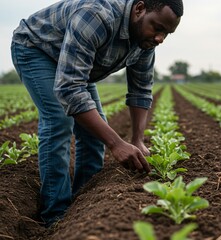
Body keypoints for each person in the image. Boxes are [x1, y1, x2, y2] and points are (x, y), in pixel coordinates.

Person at [11, 0, 183, 227]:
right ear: (139, 9)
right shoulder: (97, 15)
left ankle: (81, 205)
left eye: (167, 33)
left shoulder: (145, 42)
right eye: (158, 27)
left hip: (77, 66)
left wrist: (137, 140)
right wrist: (116, 143)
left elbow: (140, 90)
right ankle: (55, 215)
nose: (160, 38)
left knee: (94, 131)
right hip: (38, 49)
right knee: (58, 120)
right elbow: (69, 88)